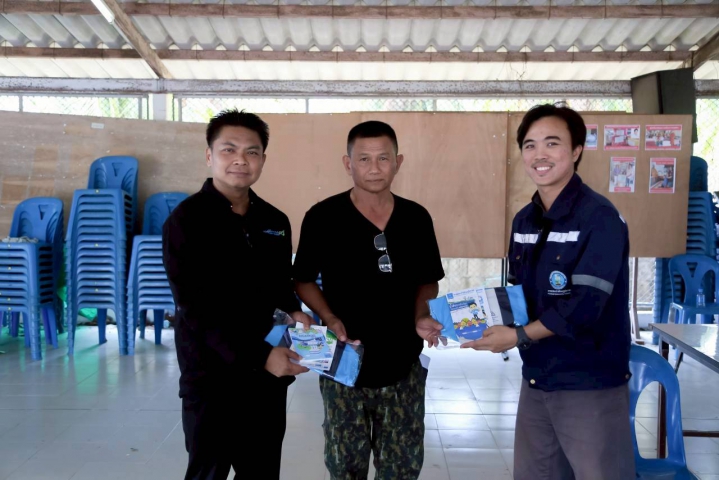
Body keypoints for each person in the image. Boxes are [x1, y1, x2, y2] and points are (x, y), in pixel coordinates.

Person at [462, 103, 635, 479]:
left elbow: (584, 307)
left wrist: (517, 336)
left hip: (589, 383)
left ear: (576, 150)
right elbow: (518, 295)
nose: (539, 154)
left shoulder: (600, 218)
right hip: (537, 378)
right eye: (530, 145)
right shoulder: (525, 220)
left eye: (552, 143)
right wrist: (461, 322)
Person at [162, 108, 314, 480]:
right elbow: (195, 308)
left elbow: (280, 287)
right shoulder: (185, 221)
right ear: (209, 155)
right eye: (229, 149)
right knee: (208, 471)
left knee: (261, 471)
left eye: (252, 151)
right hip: (210, 377)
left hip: (266, 381)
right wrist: (260, 356)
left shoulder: (275, 221)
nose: (240, 160)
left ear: (263, 159)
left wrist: (295, 311)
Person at [292, 120, 445, 480]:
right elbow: (302, 280)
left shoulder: (416, 218)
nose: (374, 168)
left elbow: (428, 280)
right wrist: (329, 317)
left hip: (402, 365)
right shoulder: (323, 217)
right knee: (345, 468)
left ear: (398, 162)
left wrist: (421, 315)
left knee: (402, 468)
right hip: (344, 363)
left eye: (383, 158)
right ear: (348, 164)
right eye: (364, 159)